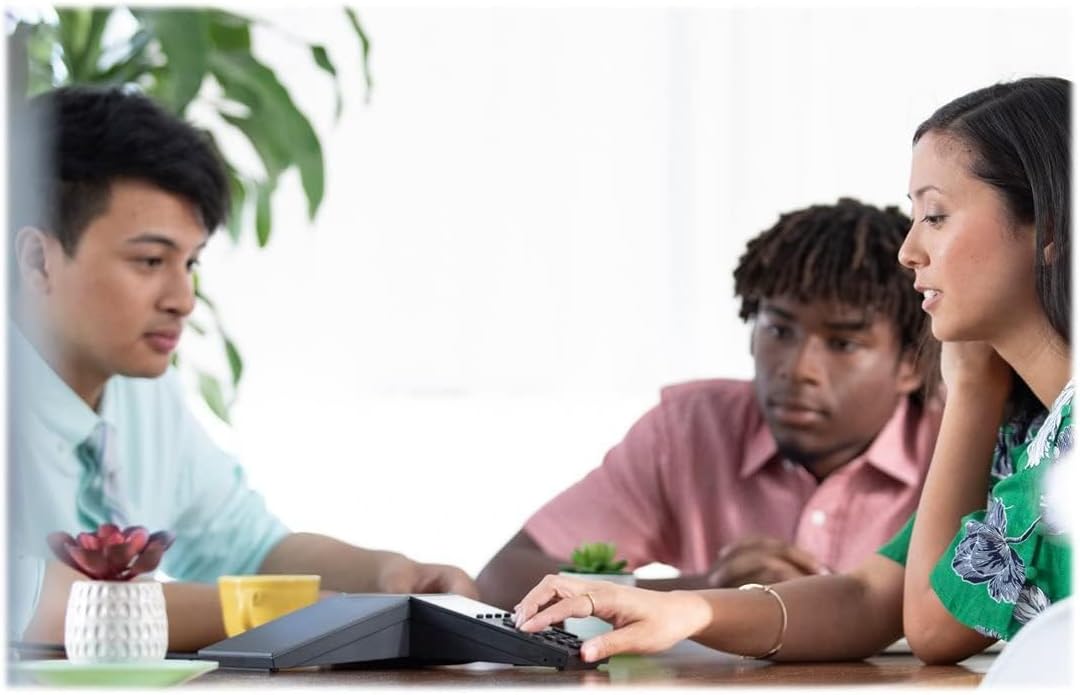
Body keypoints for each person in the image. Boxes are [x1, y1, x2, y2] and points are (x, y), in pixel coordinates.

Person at [512, 76, 1072, 666]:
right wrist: (690, 608)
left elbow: (933, 627)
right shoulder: (1027, 436)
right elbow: (870, 594)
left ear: (1052, 230)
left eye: (935, 215)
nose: (909, 250)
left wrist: (971, 389)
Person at [6, 86, 477, 652]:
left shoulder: (143, 397)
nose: (183, 297)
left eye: (191, 262)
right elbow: (38, 603)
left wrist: (387, 576)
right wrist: (298, 611)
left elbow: (254, 550)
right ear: (37, 259)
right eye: (150, 261)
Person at [478, 198, 941, 610]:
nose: (798, 368)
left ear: (912, 364)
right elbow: (503, 579)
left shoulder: (963, 444)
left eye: (842, 343)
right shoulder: (689, 431)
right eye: (778, 330)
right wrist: (705, 592)